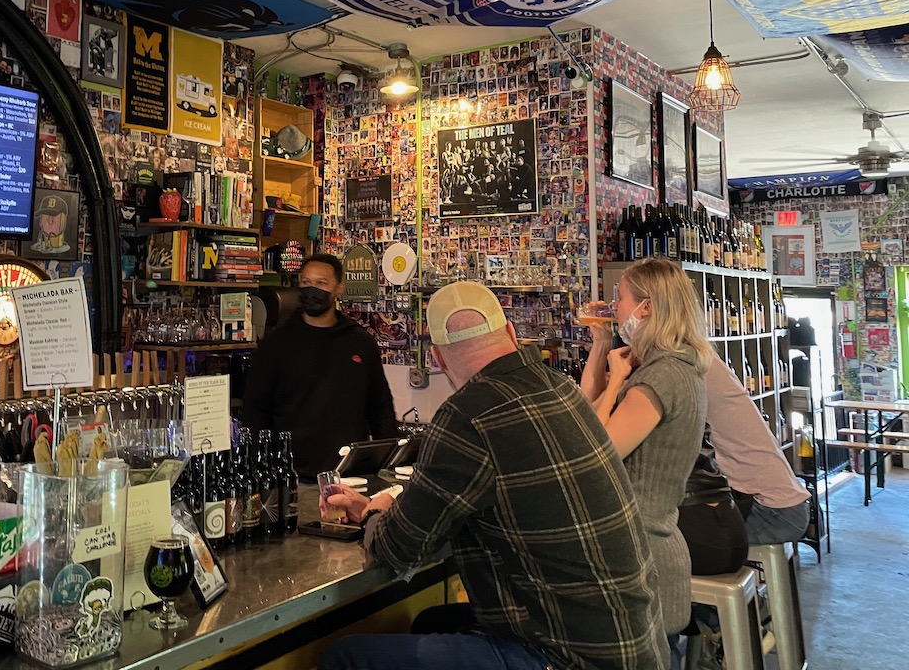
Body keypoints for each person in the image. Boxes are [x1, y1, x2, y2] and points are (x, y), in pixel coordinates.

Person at [321, 281, 668, 670]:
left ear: (437, 357)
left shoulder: (467, 415)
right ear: (510, 333)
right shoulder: (560, 388)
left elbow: (399, 550)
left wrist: (375, 511)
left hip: (563, 657)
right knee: (431, 622)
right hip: (631, 644)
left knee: (345, 657)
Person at [580, 258, 710, 643]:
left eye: (620, 297)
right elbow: (589, 409)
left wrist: (616, 381)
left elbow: (597, 450)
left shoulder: (661, 376)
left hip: (642, 559)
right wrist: (601, 345)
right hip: (646, 553)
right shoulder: (672, 366)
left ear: (646, 307)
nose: (614, 307)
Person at [242, 253, 397, 476]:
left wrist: (390, 462)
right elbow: (255, 410)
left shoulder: (360, 342)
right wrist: (262, 466)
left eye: (321, 283)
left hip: (350, 474)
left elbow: (380, 407)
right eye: (306, 282)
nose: (312, 289)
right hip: (292, 475)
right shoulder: (276, 344)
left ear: (338, 289)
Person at [704, 354, 811, 544]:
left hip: (770, 510)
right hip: (783, 505)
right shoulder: (703, 359)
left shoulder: (685, 367)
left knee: (675, 543)